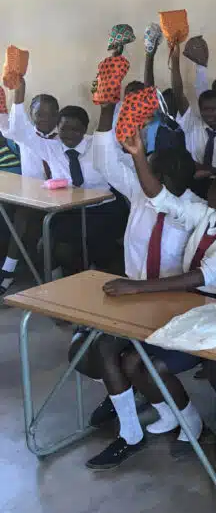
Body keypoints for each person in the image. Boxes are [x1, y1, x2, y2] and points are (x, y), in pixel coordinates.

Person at [108, 131, 216, 451]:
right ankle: (187, 418)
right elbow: (162, 199)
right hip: (191, 302)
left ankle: (210, 425)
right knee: (134, 360)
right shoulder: (207, 215)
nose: (208, 191)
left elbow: (201, 276)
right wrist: (137, 156)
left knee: (151, 363)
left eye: (215, 187)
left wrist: (136, 288)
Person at [71, 102, 199, 469]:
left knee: (118, 353)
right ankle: (144, 417)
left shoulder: (193, 210)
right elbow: (106, 160)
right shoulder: (141, 195)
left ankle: (148, 423)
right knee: (96, 348)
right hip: (132, 302)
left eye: (150, 170)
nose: (140, 176)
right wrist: (107, 109)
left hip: (172, 306)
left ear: (169, 180)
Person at [7, 77, 128, 273]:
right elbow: (20, 131)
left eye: (75, 129)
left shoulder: (97, 145)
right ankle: (69, 282)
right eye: (64, 129)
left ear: (85, 129)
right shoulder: (51, 147)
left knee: (100, 248)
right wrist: (19, 94)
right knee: (56, 247)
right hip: (71, 211)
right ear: (58, 127)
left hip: (104, 209)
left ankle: (95, 272)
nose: (69, 134)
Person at [0, 91, 57, 291]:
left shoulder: (64, 138)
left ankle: (9, 271)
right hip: (30, 196)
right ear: (31, 116)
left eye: (51, 115)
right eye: (39, 114)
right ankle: (12, 270)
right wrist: (17, 93)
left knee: (24, 216)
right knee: (18, 216)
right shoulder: (26, 137)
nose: (45, 119)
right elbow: (7, 126)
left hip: (59, 198)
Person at [168, 42, 216, 182]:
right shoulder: (192, 125)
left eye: (213, 109)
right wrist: (175, 59)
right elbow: (178, 93)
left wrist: (208, 171)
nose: (209, 114)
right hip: (192, 185)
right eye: (205, 109)